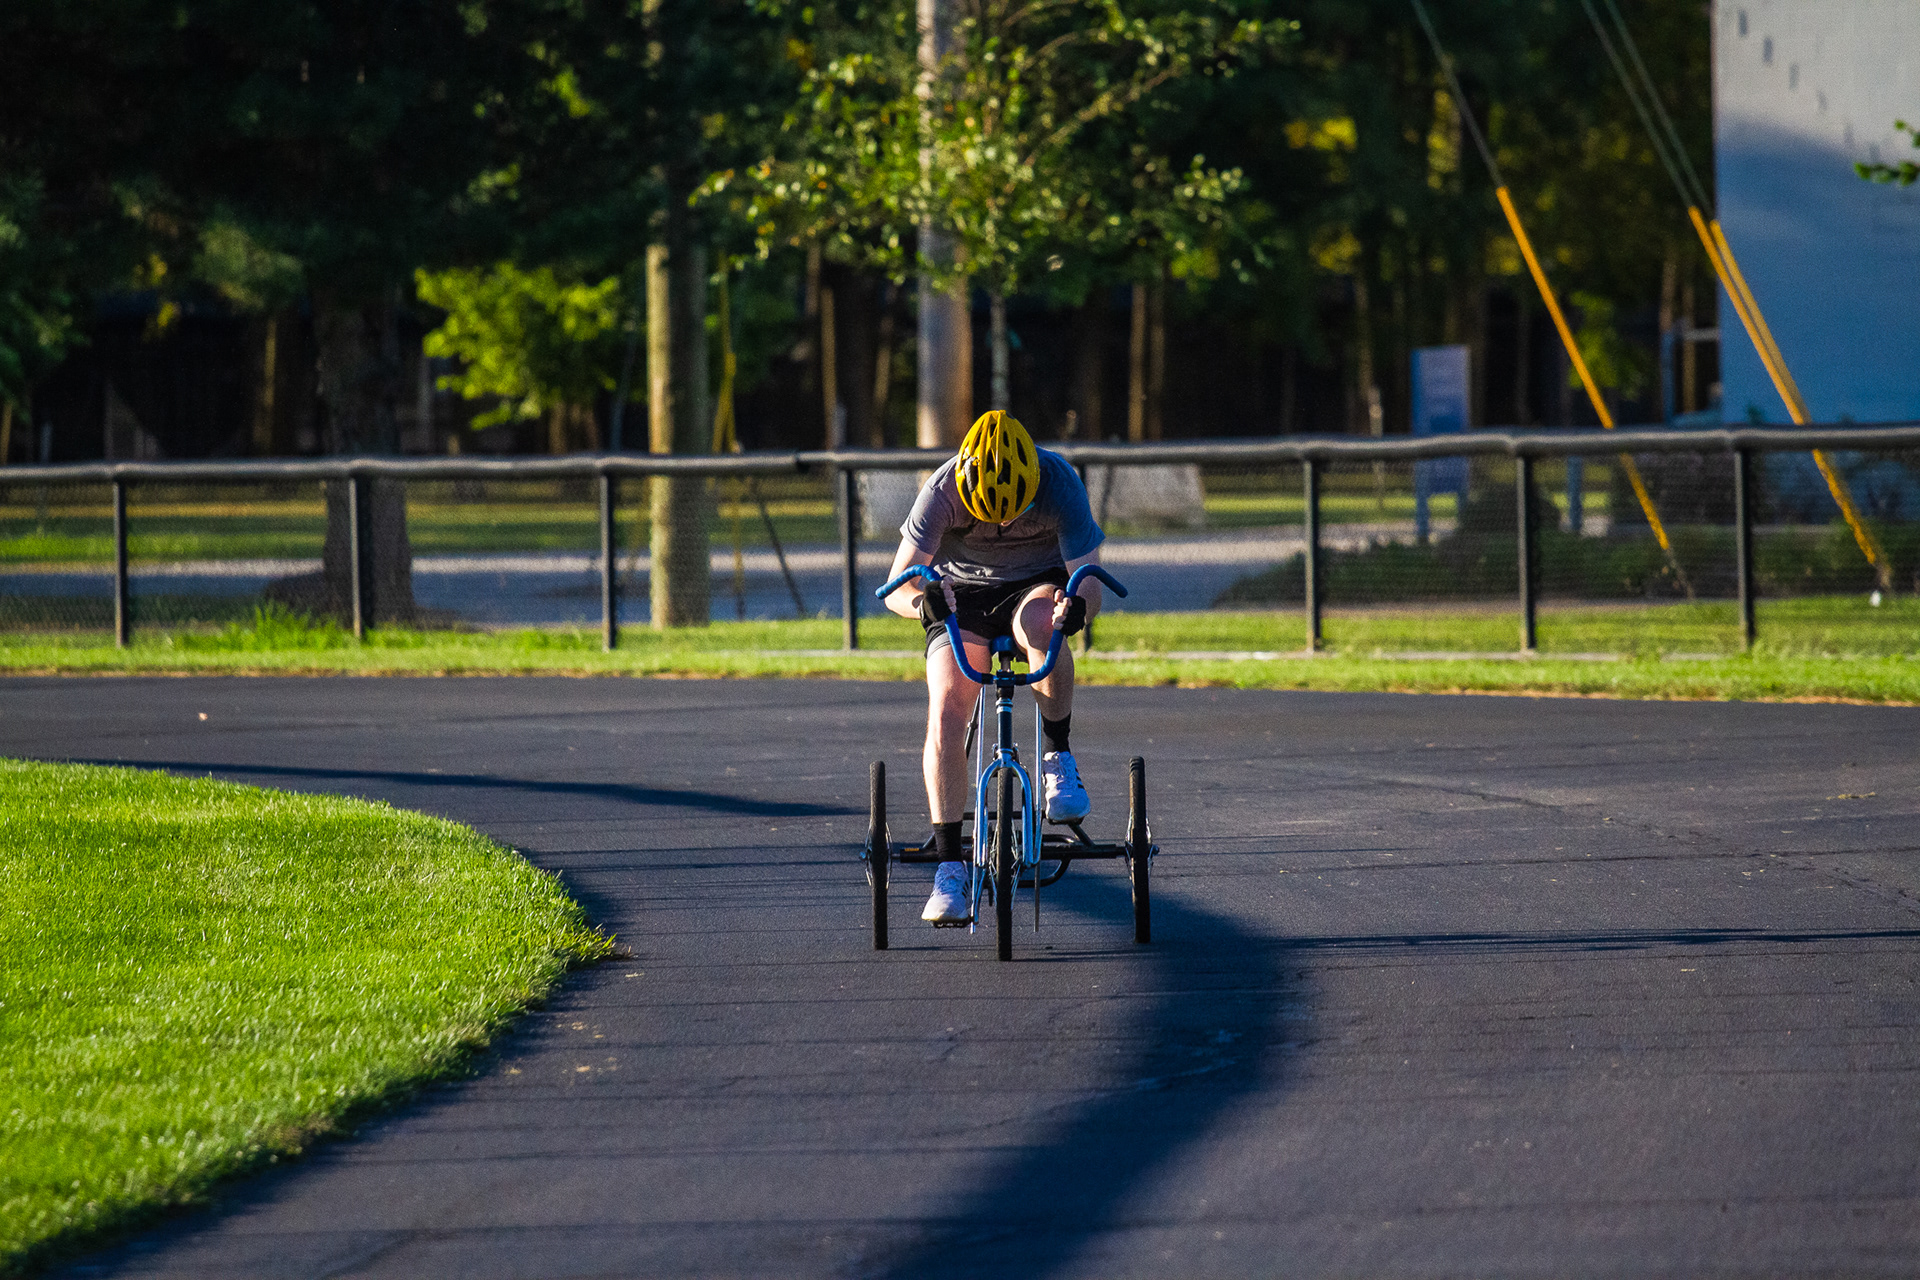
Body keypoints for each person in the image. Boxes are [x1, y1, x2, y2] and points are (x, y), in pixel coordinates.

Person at [880, 410, 1105, 926]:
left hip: (1036, 587)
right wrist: (922, 603)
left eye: (1014, 512)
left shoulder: (1059, 482)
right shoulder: (941, 490)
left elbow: (1090, 582)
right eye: (989, 514)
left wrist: (1077, 609)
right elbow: (897, 587)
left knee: (1043, 628)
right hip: (960, 595)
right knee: (947, 707)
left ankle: (1057, 756)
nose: (1003, 525)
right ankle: (949, 868)